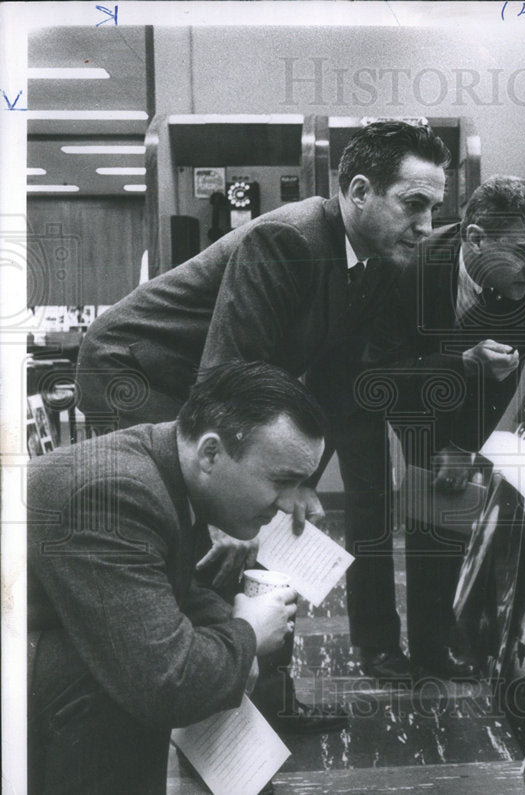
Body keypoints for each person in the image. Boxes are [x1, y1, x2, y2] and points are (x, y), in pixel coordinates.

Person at [74, 120, 451, 711]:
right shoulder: (289, 240)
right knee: (203, 531)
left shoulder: (377, 262)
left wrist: (297, 484)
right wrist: (236, 505)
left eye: (435, 208)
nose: (427, 226)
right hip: (137, 368)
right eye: (414, 204)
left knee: (266, 522)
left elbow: (335, 383)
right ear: (358, 192)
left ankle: (265, 701)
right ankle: (192, 698)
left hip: (209, 385)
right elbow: (224, 381)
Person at [27, 362, 325, 793]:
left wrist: (229, 638)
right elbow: (164, 682)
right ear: (210, 453)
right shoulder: (113, 493)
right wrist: (247, 633)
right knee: (116, 682)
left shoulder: (162, 465)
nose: (287, 504)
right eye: (282, 480)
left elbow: (167, 587)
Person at [363, 175, 525, 677]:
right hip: (370, 387)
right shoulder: (407, 265)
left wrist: (461, 447)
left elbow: (502, 374)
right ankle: (379, 644)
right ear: (474, 239)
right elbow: (382, 374)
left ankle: (434, 642)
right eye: (523, 252)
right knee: (370, 518)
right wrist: (462, 365)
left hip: (453, 386)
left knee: (444, 504)